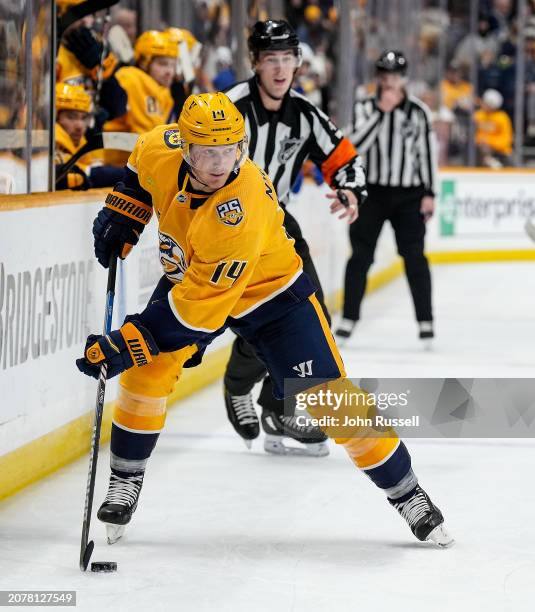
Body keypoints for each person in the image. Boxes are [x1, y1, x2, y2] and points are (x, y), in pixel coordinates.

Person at [76, 92, 453, 550]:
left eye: (229, 151)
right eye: (207, 152)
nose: (219, 163)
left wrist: (125, 342)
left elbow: (196, 312)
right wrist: (127, 206)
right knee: (147, 371)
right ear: (185, 148)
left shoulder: (241, 202)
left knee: (330, 401)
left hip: (272, 297)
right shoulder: (161, 145)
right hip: (194, 278)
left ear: (242, 148)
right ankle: (125, 479)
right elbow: (140, 164)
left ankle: (407, 492)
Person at [223, 20, 368, 457]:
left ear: (298, 63)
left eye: (288, 59)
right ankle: (237, 384)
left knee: (309, 314)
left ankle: (275, 407)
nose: (281, 68)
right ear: (255, 62)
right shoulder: (229, 107)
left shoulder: (304, 112)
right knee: (254, 317)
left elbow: (343, 157)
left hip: (277, 222)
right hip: (226, 225)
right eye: (271, 59)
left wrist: (350, 188)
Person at [336, 50, 437, 346]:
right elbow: (354, 146)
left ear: (404, 79)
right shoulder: (366, 107)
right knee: (360, 257)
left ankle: (425, 320)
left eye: (394, 76)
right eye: (384, 76)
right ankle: (348, 318)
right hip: (373, 192)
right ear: (378, 78)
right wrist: (382, 112)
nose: (389, 81)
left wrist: (429, 193)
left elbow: (426, 154)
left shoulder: (418, 112)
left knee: (414, 257)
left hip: (409, 194)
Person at [55, 83, 124, 189]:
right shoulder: (50, 145)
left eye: (84, 118)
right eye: (71, 117)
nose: (79, 125)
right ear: (55, 117)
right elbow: (93, 174)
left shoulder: (83, 143)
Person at [474, 88, 513, 167]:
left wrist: (490, 142)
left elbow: (506, 140)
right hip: (481, 150)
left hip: (501, 152)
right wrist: (480, 141)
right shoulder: (478, 115)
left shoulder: (502, 117)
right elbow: (473, 135)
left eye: (486, 102)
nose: (483, 104)